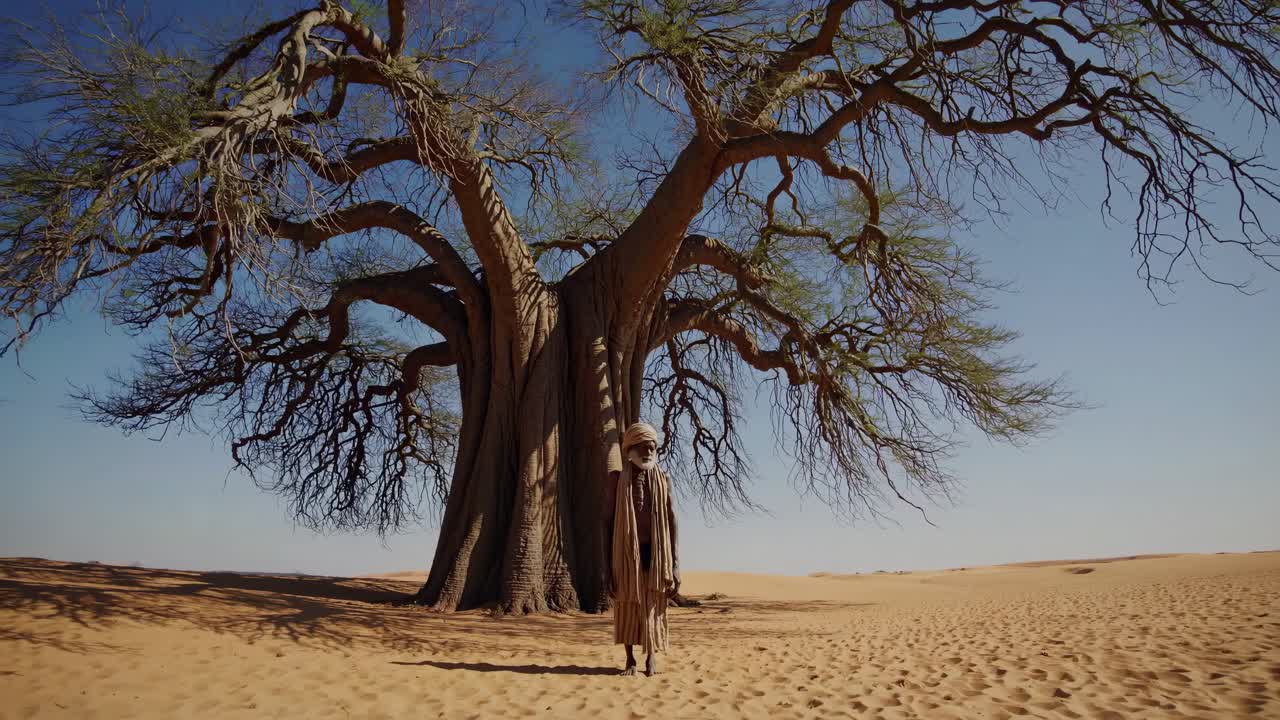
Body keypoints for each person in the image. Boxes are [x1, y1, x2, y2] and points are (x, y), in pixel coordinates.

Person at [605, 422, 680, 677]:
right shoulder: (616, 478)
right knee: (626, 604)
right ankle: (630, 660)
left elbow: (672, 520)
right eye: (643, 447)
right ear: (630, 449)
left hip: (656, 553)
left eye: (652, 447)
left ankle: (651, 657)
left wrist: (676, 564)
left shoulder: (663, 478)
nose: (649, 452)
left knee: (653, 604)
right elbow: (607, 521)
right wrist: (606, 565)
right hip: (624, 554)